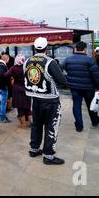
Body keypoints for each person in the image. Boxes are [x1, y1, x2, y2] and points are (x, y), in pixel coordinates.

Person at [24, 37, 67, 165]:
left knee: (36, 125)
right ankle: (48, 155)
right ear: (46, 48)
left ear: (34, 48)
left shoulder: (27, 61)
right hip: (50, 100)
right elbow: (62, 81)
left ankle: (34, 149)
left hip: (35, 99)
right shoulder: (50, 62)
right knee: (51, 126)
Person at [63, 41, 99, 132]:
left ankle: (79, 125)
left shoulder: (68, 59)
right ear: (85, 49)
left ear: (75, 49)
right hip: (88, 87)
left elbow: (64, 68)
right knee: (90, 105)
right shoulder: (90, 60)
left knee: (76, 105)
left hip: (74, 86)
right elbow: (96, 75)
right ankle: (94, 120)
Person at [4, 55, 32, 128]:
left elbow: (6, 75)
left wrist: (12, 78)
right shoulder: (27, 67)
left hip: (17, 89)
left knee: (20, 107)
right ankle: (32, 122)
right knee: (28, 107)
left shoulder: (14, 68)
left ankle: (23, 124)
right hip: (27, 89)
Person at [0, 52, 11, 123]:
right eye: (8, 59)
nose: (9, 60)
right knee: (3, 103)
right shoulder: (2, 66)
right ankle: (2, 117)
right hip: (2, 86)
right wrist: (7, 81)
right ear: (6, 59)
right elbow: (3, 75)